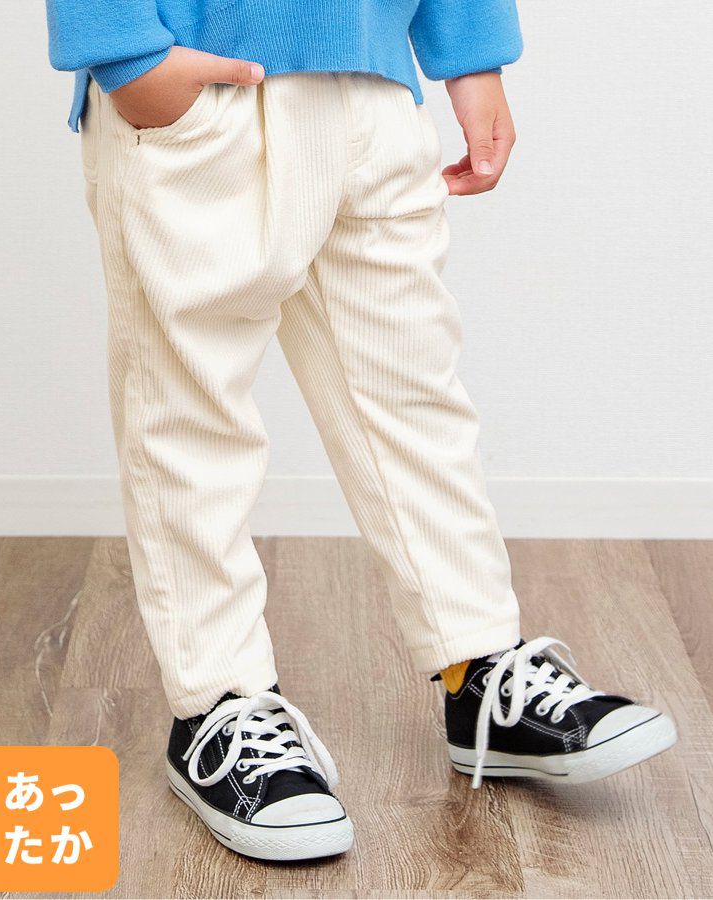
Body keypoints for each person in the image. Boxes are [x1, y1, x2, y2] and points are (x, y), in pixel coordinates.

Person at [45, 0, 677, 862]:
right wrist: (119, 50)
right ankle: (216, 701)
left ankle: (477, 665)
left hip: (372, 82)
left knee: (413, 396)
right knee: (186, 415)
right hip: (205, 77)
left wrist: (471, 51)